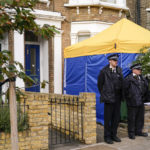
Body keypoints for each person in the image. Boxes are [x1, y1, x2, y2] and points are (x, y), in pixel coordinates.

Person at [97, 54, 123, 144]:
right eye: (114, 60)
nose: (116, 62)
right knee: (108, 118)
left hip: (117, 98)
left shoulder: (119, 70)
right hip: (108, 98)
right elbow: (100, 85)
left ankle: (114, 135)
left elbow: (121, 82)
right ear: (110, 61)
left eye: (117, 61)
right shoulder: (104, 71)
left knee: (116, 118)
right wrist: (105, 94)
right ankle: (107, 137)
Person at [124, 63, 149, 139]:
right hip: (132, 101)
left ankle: (138, 131)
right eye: (138, 69)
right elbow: (125, 90)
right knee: (132, 118)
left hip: (141, 101)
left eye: (140, 69)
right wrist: (129, 98)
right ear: (133, 70)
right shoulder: (128, 79)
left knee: (140, 118)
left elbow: (145, 88)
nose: (140, 71)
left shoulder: (142, 78)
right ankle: (131, 133)